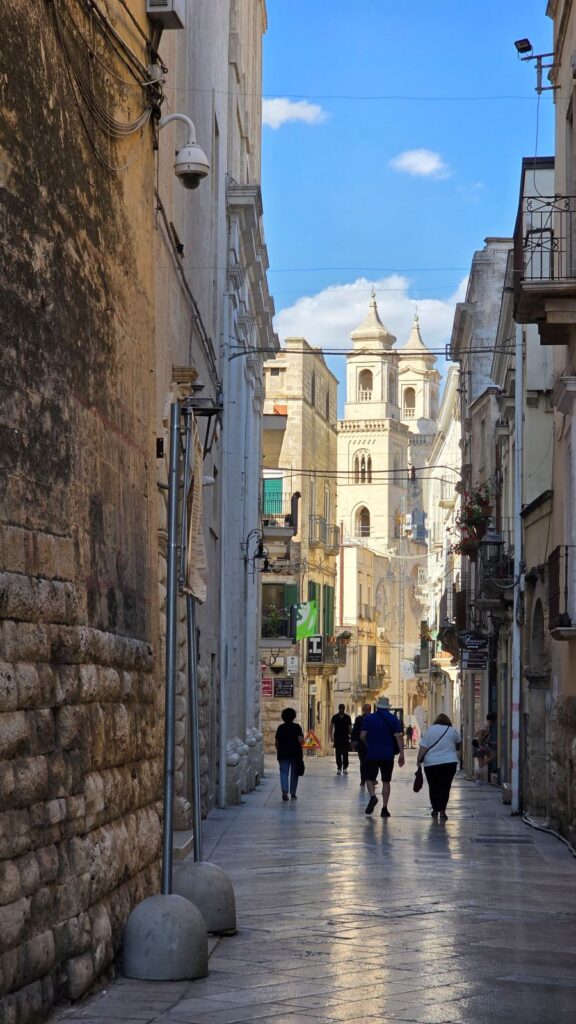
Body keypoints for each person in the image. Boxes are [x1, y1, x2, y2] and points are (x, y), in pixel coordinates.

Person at [360, 696, 405, 817]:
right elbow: (398, 738)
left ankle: (373, 796)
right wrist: (402, 754)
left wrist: (368, 744)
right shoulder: (393, 719)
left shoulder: (369, 719)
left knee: (369, 778)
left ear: (377, 706)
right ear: (387, 707)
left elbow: (362, 735)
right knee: (386, 781)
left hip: (372, 754)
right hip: (387, 755)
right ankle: (384, 808)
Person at [416, 713, 461, 820]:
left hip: (431, 763)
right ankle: (442, 811)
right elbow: (459, 742)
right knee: (445, 787)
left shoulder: (430, 730)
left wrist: (418, 760)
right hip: (449, 762)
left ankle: (435, 809)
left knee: (433, 787)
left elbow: (423, 747)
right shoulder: (452, 730)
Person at [275, 707, 304, 801]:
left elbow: (277, 742)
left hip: (283, 754)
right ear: (293, 717)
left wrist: (279, 751)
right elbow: (300, 740)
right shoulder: (297, 727)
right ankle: (293, 793)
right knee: (294, 775)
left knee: (283, 772)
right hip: (295, 754)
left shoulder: (281, 727)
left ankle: (284, 791)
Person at [351, 702, 372, 786]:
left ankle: (370, 779)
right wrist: (353, 741)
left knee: (370, 763)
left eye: (369, 709)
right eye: (366, 709)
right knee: (363, 763)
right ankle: (363, 779)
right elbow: (355, 730)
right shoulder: (359, 719)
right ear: (363, 710)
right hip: (362, 745)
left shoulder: (372, 719)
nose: (367, 711)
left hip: (371, 745)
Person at [473, 711, 497, 777]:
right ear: (492, 720)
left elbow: (482, 735)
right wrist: (480, 745)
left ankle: (478, 779)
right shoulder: (486, 725)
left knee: (481, 762)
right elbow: (480, 733)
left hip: (480, 744)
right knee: (492, 754)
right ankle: (478, 774)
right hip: (480, 745)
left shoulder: (485, 724)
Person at [330, 703, 352, 775]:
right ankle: (339, 767)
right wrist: (331, 736)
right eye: (340, 709)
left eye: (342, 709)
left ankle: (345, 768)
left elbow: (349, 727)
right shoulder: (335, 717)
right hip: (337, 737)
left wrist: (351, 736)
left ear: (344, 709)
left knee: (345, 753)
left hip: (345, 737)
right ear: (339, 709)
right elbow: (331, 726)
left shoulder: (347, 717)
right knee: (338, 753)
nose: (341, 710)